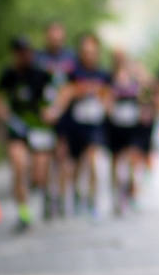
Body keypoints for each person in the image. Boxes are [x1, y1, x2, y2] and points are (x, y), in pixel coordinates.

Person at [0, 37, 54, 232]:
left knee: (39, 176)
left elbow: (55, 96)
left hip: (39, 129)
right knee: (18, 165)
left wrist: (51, 111)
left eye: (27, 52)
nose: (24, 56)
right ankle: (23, 213)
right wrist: (2, 113)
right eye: (20, 52)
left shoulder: (41, 74)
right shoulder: (9, 74)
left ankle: (44, 193)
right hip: (17, 129)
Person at [45, 33, 112, 218]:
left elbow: (108, 97)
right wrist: (55, 110)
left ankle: (92, 201)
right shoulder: (72, 72)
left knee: (92, 159)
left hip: (94, 124)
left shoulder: (103, 74)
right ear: (80, 52)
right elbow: (64, 94)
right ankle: (73, 193)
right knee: (73, 164)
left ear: (97, 53)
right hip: (73, 123)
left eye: (92, 52)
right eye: (85, 51)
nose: (89, 55)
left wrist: (107, 106)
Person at [34, 21, 77, 217]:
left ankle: (59, 196)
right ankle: (45, 194)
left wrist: (59, 108)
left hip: (65, 113)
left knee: (62, 155)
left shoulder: (71, 58)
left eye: (59, 36)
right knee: (43, 157)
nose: (56, 39)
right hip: (42, 114)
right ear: (46, 36)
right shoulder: (37, 58)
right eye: (52, 36)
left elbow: (75, 86)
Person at [107, 48, 148, 215]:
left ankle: (132, 193)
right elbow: (105, 99)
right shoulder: (108, 78)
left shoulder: (135, 79)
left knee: (133, 159)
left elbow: (146, 95)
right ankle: (117, 195)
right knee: (116, 161)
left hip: (132, 125)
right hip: (115, 125)